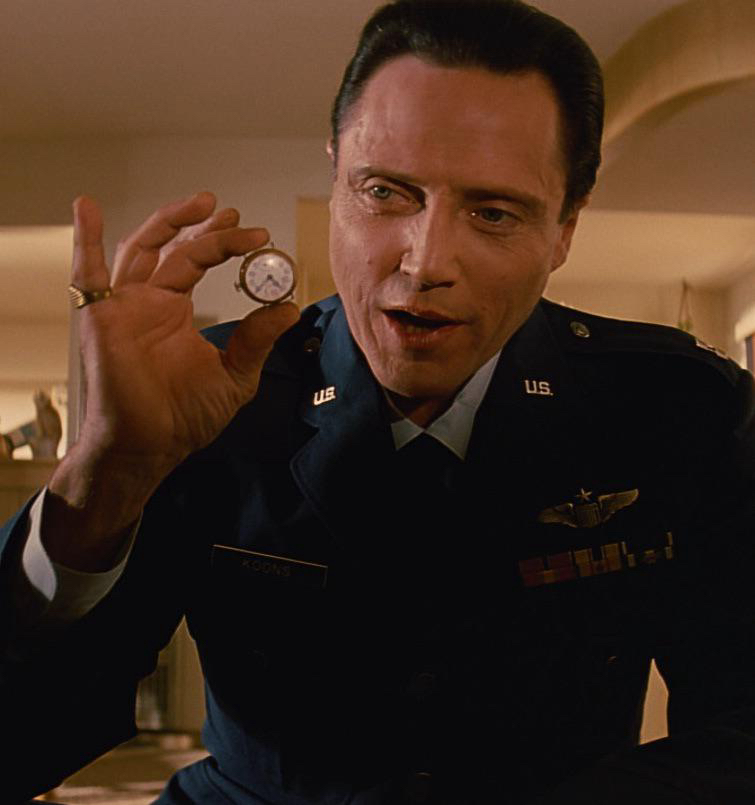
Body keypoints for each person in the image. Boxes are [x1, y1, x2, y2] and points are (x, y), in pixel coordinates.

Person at [2, 0, 755, 803]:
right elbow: (23, 746)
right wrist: (105, 476)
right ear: (335, 180)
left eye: (492, 212)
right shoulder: (211, 391)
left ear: (564, 228)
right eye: (386, 193)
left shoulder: (677, 408)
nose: (425, 262)